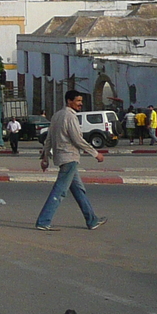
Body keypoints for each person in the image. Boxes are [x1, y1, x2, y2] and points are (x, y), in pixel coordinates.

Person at [36, 89, 107, 231]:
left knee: (79, 190)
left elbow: (49, 139)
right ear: (69, 101)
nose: (81, 104)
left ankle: (92, 220)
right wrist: (95, 153)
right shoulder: (70, 117)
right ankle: (43, 221)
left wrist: (45, 158)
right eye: (78, 101)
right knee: (60, 190)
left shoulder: (56, 116)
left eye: (81, 101)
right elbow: (77, 140)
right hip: (69, 158)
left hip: (62, 157)